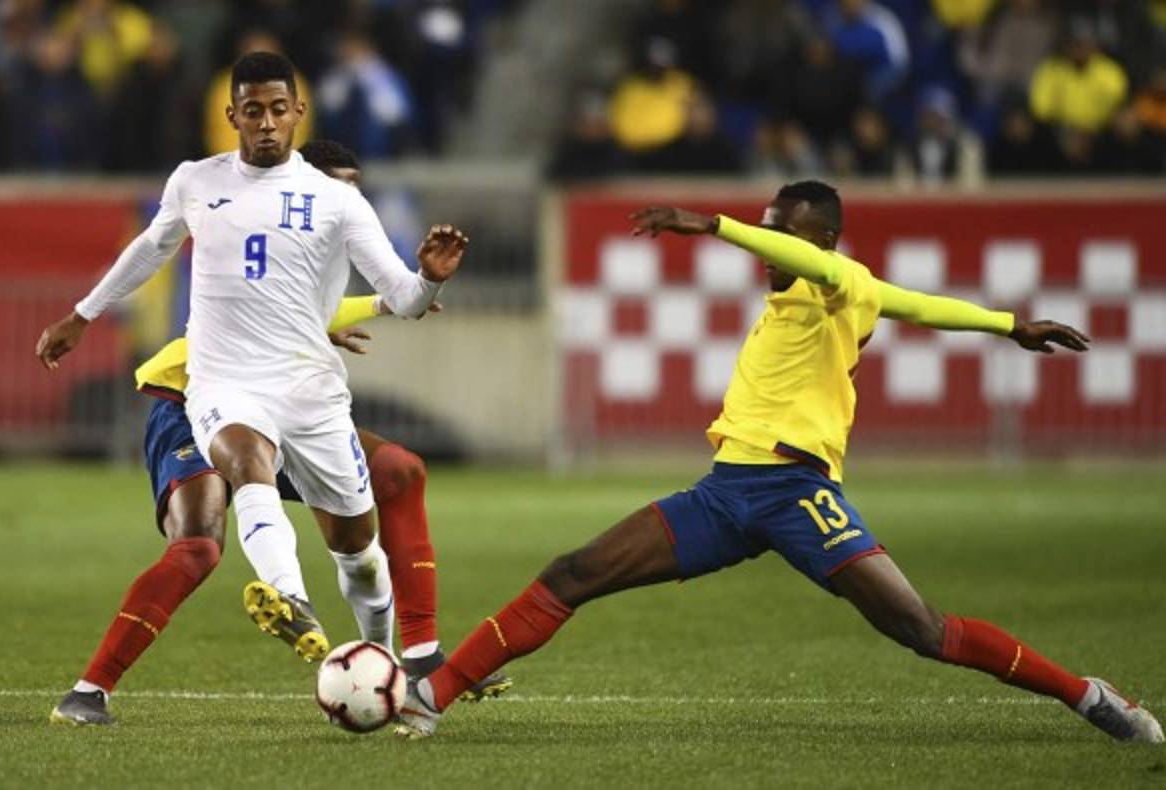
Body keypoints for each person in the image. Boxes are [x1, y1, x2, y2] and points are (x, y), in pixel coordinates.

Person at [395, 181, 1163, 745]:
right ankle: (432, 697)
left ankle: (1089, 696)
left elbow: (860, 283)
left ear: (821, 241)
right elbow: (925, 306)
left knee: (922, 630)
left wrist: (713, 224)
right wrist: (1008, 324)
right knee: (574, 572)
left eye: (780, 233)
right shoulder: (809, 297)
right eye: (764, 229)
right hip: (724, 494)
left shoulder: (841, 282)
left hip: (798, 495)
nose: (766, 247)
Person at [33, 53, 459, 717]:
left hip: (310, 394)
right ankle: (290, 599)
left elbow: (403, 297)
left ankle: (380, 662)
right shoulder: (196, 181)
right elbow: (151, 247)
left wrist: (429, 278)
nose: (265, 122)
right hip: (221, 383)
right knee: (241, 463)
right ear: (232, 115)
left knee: (360, 554)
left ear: (298, 113)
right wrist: (83, 314)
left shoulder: (338, 201)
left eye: (277, 110)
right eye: (252, 111)